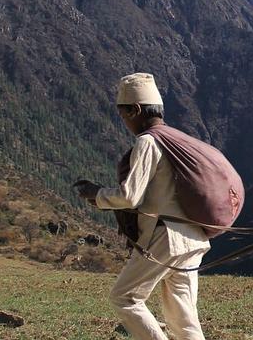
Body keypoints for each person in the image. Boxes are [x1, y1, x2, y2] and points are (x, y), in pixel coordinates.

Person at [75, 73, 211, 340]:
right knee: (184, 318)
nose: (125, 122)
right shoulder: (175, 139)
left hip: (165, 237)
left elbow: (130, 197)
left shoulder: (148, 141)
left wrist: (97, 194)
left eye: (124, 115)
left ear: (135, 110)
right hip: (194, 236)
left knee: (124, 298)